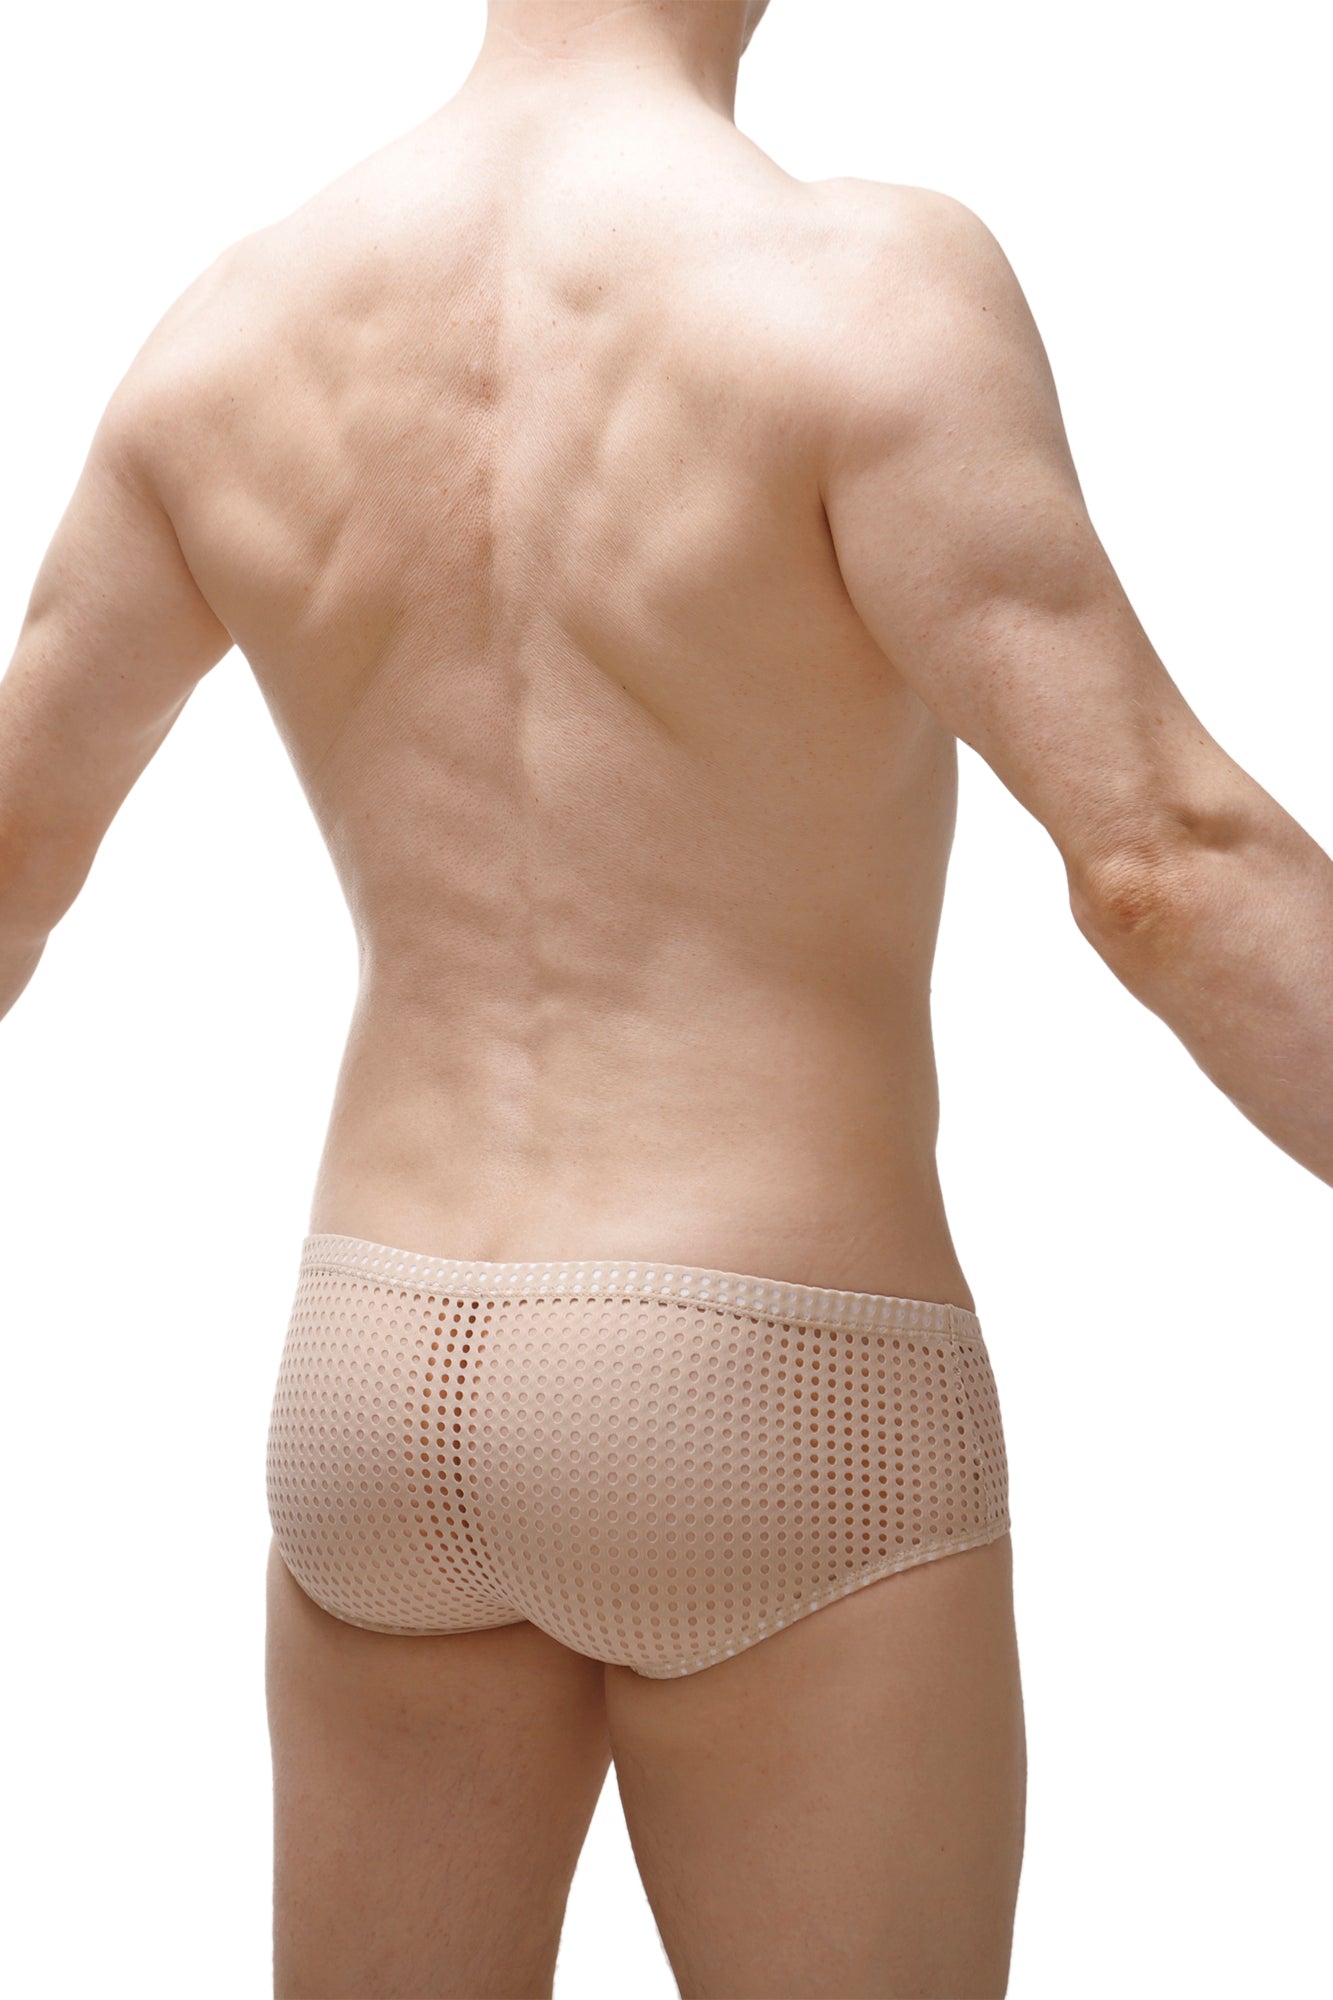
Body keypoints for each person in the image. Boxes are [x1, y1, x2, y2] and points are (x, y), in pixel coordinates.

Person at [1, 0, 1329, 1993]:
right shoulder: (855, 288)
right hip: (775, 1371)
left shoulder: (232, 327)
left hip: (376, 1373)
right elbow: (1163, 867)